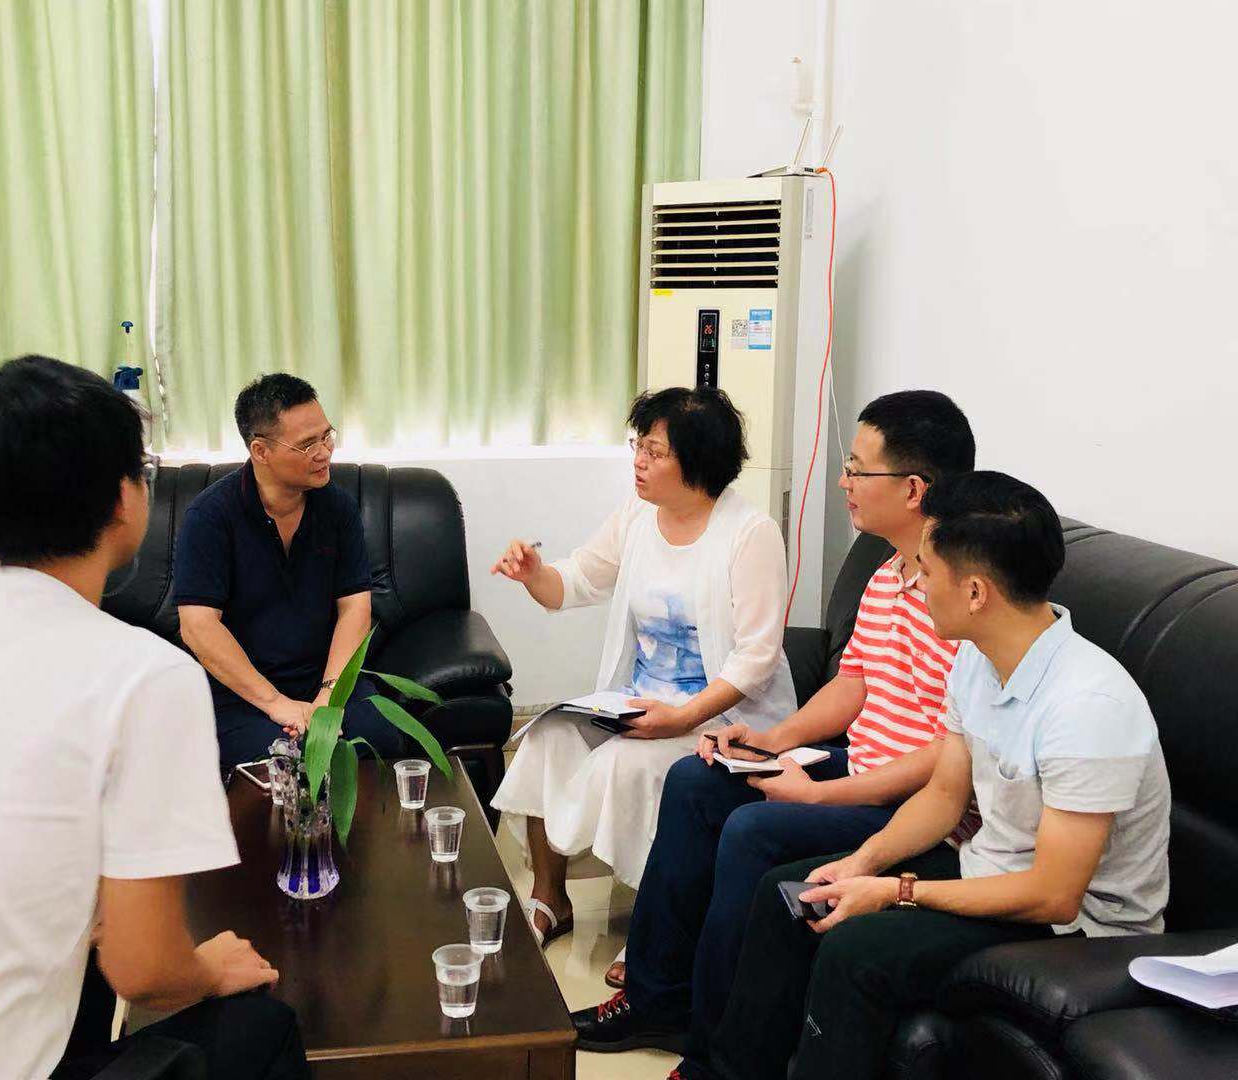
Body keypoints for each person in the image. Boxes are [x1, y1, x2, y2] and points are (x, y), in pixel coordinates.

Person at [0, 356, 307, 1079]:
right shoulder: (145, 676)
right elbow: (145, 972)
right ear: (125, 498)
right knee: (264, 1026)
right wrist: (208, 968)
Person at [696, 471, 1171, 1080]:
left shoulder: (1088, 707)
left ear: (974, 592)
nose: (915, 584)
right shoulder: (978, 657)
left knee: (855, 949)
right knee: (790, 894)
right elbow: (945, 795)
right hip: (990, 872)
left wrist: (896, 891)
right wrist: (863, 862)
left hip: (1074, 928)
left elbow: (1054, 893)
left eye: (925, 570)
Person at [572, 389, 977, 1058]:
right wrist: (770, 740)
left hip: (909, 803)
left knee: (752, 830)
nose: (843, 483)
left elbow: (947, 757)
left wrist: (820, 793)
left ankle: (718, 1050)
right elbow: (852, 683)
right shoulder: (887, 574)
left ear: (913, 489)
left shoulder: (963, 594)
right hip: (858, 765)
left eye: (857, 470)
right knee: (696, 779)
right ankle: (655, 999)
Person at [488, 386, 796, 950]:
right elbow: (576, 580)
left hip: (721, 717)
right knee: (547, 736)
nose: (639, 461)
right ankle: (551, 899)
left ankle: (654, 931)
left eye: (655, 452)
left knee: (626, 766)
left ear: (698, 462)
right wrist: (534, 573)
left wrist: (682, 719)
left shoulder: (750, 534)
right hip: (638, 699)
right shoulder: (638, 515)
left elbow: (756, 658)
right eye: (638, 446)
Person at [174, 373, 400, 773]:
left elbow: (355, 608)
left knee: (382, 740)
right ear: (260, 450)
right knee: (283, 763)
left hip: (324, 679)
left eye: (327, 436)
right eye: (307, 444)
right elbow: (198, 626)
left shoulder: (337, 508)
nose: (324, 453)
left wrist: (328, 698)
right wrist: (276, 703)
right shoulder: (210, 517)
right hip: (243, 693)